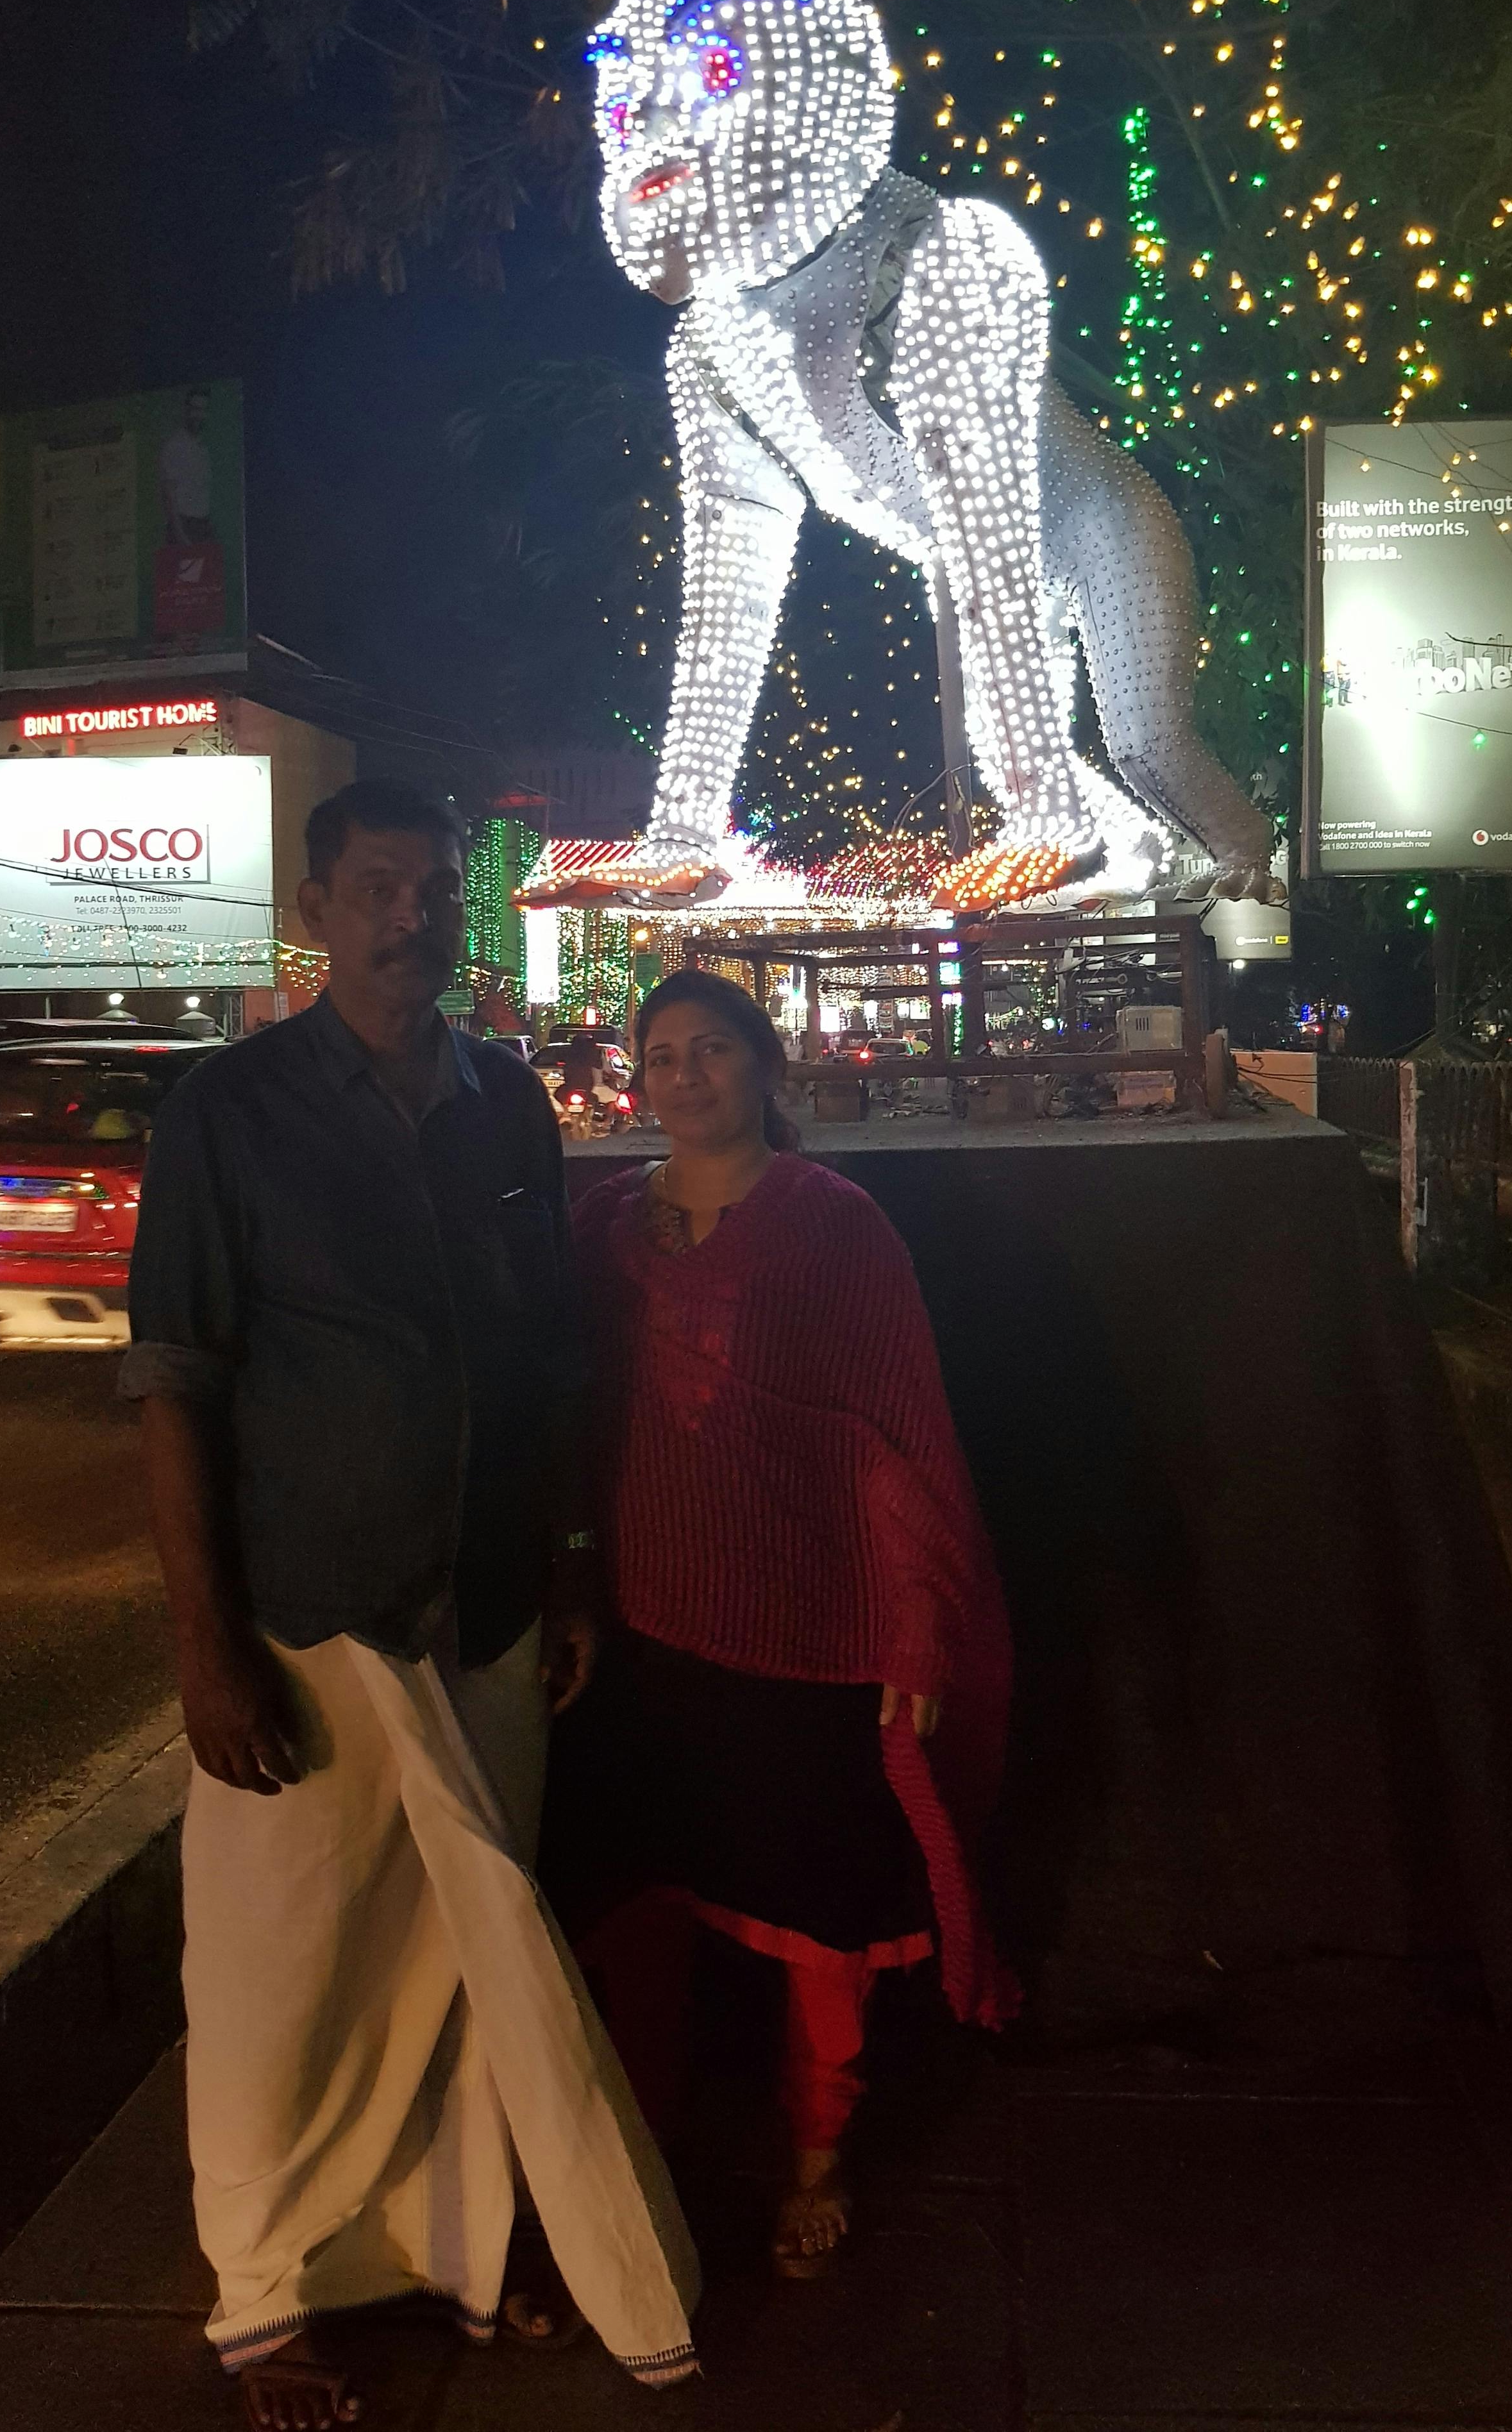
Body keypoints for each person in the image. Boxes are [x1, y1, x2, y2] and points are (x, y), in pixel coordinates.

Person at [121, 779, 697, 2430]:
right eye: (377, 888)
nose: (410, 917)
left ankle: (455, 2247)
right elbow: (174, 1384)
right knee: (277, 1977)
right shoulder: (229, 1112)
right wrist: (205, 1645)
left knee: (460, 1954)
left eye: (435, 889)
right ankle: (262, 2299)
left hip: (490, 1607)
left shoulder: (504, 1102)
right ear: (315, 912)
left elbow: (549, 1359)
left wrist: (568, 1562)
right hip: (309, 1622)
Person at [562, 969, 1016, 2280]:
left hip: (805, 1627)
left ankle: (817, 2149)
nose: (685, 1075)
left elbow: (899, 1444)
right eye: (661, 1053)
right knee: (639, 1897)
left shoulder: (834, 1227)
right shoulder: (602, 1229)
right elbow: (566, 1425)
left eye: (712, 1048)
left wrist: (914, 1632)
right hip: (645, 1625)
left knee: (817, 1913)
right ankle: (636, 2140)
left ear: (766, 1065)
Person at [159, 386, 215, 544]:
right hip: (183, 528)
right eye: (195, 409)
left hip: (203, 526)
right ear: (186, 410)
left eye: (203, 410)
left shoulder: (203, 448)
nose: (199, 415)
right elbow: (169, 496)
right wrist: (181, 536)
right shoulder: (174, 446)